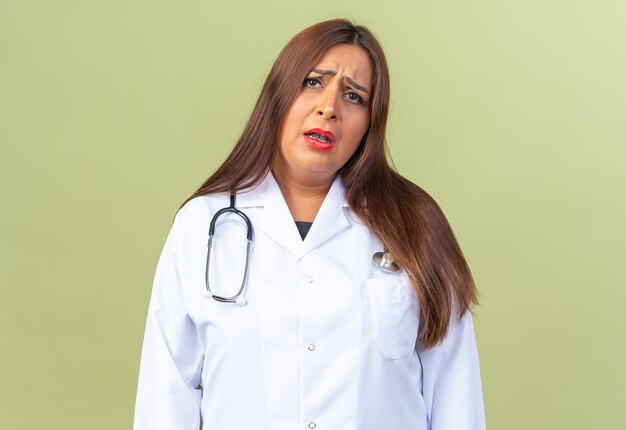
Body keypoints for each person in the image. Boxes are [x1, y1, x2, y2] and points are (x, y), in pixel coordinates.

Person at [134, 19, 485, 430]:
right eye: (313, 82)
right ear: (279, 95)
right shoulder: (202, 225)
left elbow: (455, 398)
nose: (329, 107)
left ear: (370, 124)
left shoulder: (414, 224)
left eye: (354, 96)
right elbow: (166, 395)